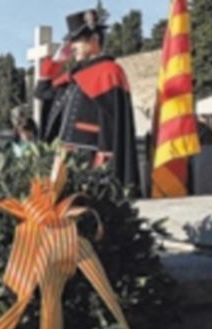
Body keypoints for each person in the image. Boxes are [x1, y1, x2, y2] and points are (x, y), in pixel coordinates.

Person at [34, 8, 141, 196]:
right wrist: (57, 62)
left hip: (91, 162)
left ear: (94, 40)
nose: (72, 45)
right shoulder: (75, 76)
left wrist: (105, 161)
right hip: (64, 161)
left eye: (77, 40)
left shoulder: (109, 72)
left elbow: (111, 123)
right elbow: (42, 92)